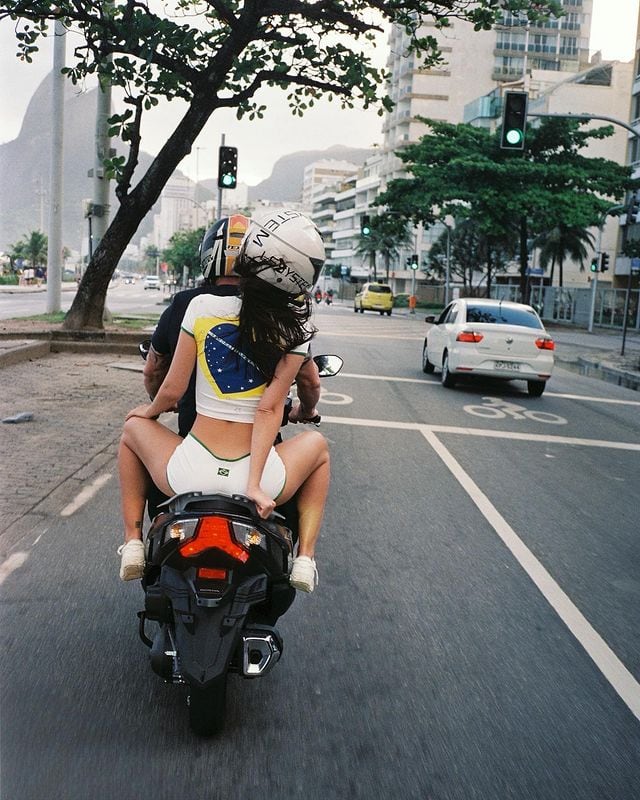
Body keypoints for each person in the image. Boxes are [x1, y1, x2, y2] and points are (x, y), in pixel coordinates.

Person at [117, 209, 329, 594]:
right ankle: (306, 558)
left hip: (190, 471)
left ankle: (132, 541)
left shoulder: (201, 308)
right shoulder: (297, 329)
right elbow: (268, 410)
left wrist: (145, 414)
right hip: (262, 479)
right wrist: (253, 485)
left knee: (132, 430)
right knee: (319, 449)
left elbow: (172, 390)